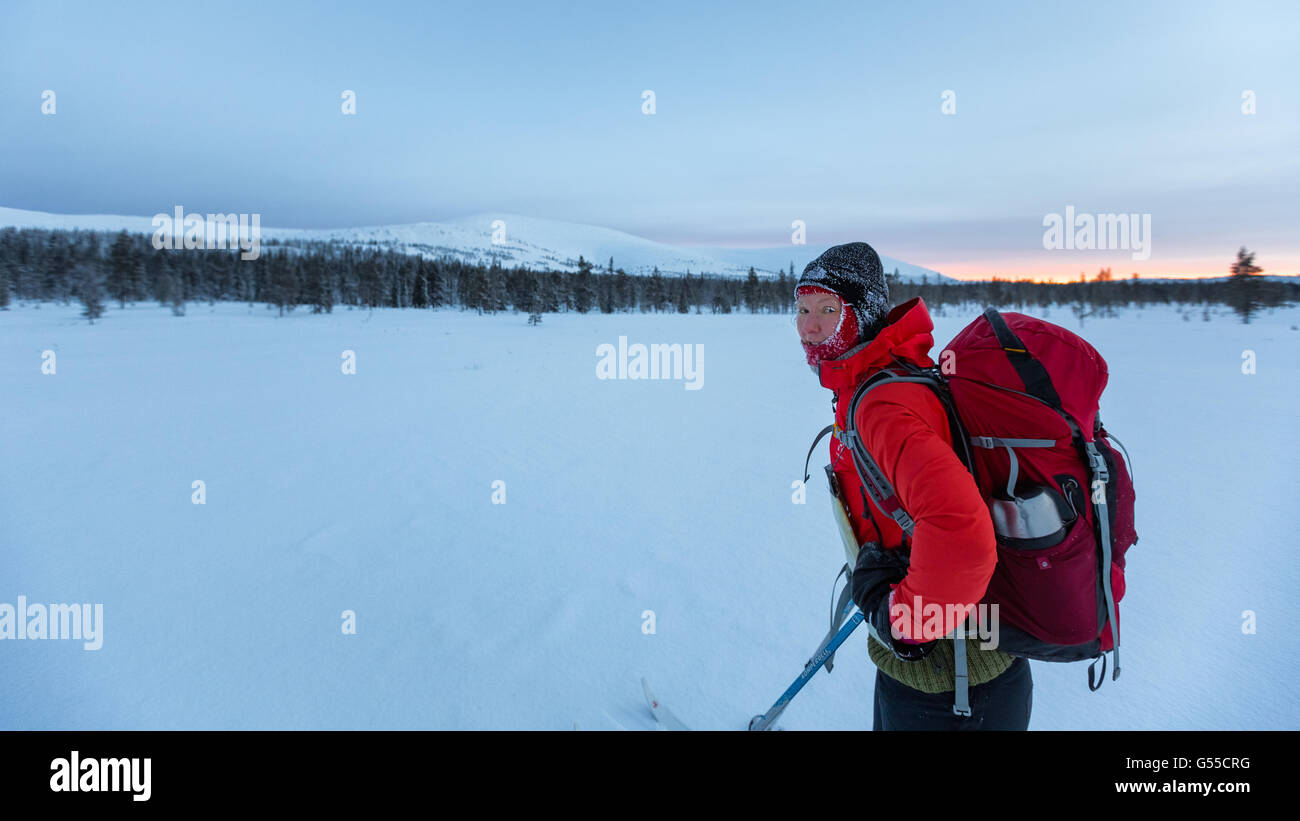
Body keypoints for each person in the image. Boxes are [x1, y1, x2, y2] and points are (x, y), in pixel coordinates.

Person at [795, 242, 1032, 731]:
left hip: (951, 686)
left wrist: (906, 624)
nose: (809, 325)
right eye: (801, 309)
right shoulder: (884, 380)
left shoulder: (883, 404)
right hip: (962, 671)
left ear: (863, 316)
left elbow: (960, 530)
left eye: (827, 310)